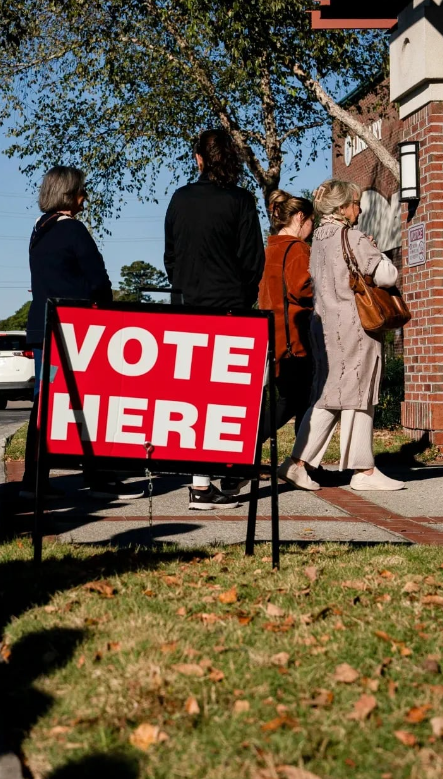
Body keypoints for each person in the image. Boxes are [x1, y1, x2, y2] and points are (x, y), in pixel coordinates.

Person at [20, 167, 141, 501]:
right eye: (81, 191)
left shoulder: (38, 230)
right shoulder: (74, 229)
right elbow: (98, 280)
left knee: (43, 404)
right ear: (69, 194)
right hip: (77, 331)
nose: (84, 196)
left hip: (43, 328)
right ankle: (98, 476)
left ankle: (33, 478)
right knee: (90, 402)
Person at [164, 130, 265, 508]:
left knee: (194, 397)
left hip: (189, 306)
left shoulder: (180, 199)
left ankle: (200, 483)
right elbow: (253, 259)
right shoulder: (240, 200)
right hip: (230, 307)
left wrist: (185, 285)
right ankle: (222, 474)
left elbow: (170, 255)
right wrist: (244, 297)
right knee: (229, 398)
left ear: (198, 159)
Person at [285, 179, 406, 492]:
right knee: (360, 392)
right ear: (342, 207)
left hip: (322, 326)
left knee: (330, 395)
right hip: (355, 327)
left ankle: (299, 463)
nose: (360, 208)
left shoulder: (318, 240)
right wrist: (375, 250)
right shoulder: (352, 237)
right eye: (355, 202)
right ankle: (363, 471)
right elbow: (388, 275)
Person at [256, 192, 317, 487]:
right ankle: (294, 463)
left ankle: (299, 462)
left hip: (274, 336)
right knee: (294, 402)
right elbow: (302, 288)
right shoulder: (298, 249)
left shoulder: (269, 249)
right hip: (295, 337)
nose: (311, 229)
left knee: (291, 400)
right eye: (311, 222)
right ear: (300, 218)